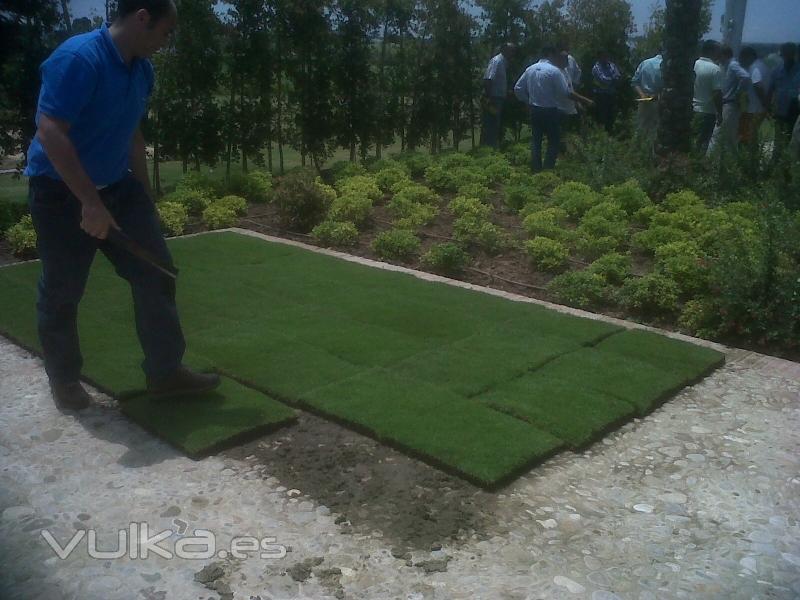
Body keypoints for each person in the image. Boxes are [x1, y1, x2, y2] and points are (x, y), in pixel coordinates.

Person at [23, 0, 220, 411]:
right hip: (60, 194)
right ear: (142, 17)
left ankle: (166, 373)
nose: (166, 43)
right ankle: (64, 380)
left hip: (119, 187)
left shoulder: (142, 70)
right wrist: (90, 205)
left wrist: (143, 196)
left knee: (157, 271)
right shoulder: (79, 58)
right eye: (166, 32)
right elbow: (50, 132)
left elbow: (131, 133)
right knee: (63, 290)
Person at [514, 47, 593, 172]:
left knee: (536, 140)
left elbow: (517, 88)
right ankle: (548, 169)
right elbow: (566, 93)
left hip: (534, 109)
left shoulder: (530, 69)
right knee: (554, 141)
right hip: (550, 110)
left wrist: (527, 102)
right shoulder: (554, 71)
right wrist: (586, 101)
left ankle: (536, 169)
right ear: (550, 55)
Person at [706, 45, 750, 156]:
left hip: (730, 103)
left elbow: (745, 77)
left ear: (724, 55)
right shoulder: (725, 65)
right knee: (727, 136)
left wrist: (737, 93)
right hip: (726, 104)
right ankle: (725, 163)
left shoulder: (733, 65)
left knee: (719, 134)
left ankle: (711, 162)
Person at [481, 43, 515, 149]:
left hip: (499, 98)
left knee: (496, 125)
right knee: (492, 125)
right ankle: (490, 149)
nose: (512, 54)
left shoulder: (504, 63)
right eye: (511, 51)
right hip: (494, 99)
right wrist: (488, 98)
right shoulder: (497, 61)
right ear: (504, 50)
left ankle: (493, 147)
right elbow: (488, 79)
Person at [769, 42, 800, 159]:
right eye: (784, 54)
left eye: (789, 54)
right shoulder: (776, 70)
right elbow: (770, 90)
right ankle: (776, 168)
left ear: (794, 54)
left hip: (796, 113)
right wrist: (768, 106)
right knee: (779, 142)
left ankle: (790, 170)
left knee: (795, 143)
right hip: (781, 111)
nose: (786, 56)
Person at [693, 40, 723, 153]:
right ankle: (698, 165)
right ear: (711, 51)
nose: (719, 54)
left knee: (693, 140)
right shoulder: (715, 69)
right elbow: (717, 93)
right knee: (703, 142)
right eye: (717, 51)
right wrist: (720, 113)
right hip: (707, 111)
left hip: (692, 109)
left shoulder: (694, 65)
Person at [738, 46, 771, 146]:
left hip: (754, 108)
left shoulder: (754, 68)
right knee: (753, 134)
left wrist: (765, 104)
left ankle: (750, 158)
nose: (741, 61)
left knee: (748, 135)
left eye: (742, 58)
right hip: (759, 107)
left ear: (748, 56)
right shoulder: (763, 66)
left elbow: (758, 85)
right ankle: (753, 157)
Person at [631, 50, 664, 141]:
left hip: (644, 100)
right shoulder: (665, 65)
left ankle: (639, 150)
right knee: (656, 130)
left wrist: (642, 95)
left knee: (641, 127)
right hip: (659, 101)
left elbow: (634, 82)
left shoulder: (645, 63)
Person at [591, 51, 622, 133]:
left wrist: (612, 80)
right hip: (601, 96)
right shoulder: (596, 68)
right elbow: (603, 80)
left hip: (611, 94)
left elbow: (618, 76)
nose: (605, 58)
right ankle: (602, 136)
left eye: (606, 56)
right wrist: (613, 80)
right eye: (603, 56)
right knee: (602, 117)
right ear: (599, 57)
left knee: (611, 117)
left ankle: (610, 135)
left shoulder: (612, 66)